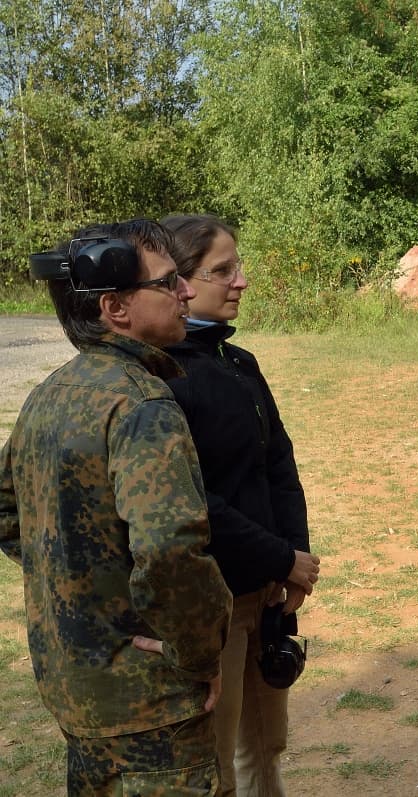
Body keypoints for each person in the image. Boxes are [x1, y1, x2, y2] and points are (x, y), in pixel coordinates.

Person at [0, 219, 233, 794]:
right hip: (150, 704)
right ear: (116, 308)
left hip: (73, 688)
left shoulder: (51, 392)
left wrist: (80, 583)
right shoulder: (142, 404)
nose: (185, 292)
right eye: (168, 282)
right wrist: (198, 655)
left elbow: (7, 512)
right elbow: (171, 551)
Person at [161, 214, 319, 797]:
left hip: (266, 592)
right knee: (216, 761)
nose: (241, 282)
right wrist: (282, 558)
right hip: (213, 600)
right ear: (180, 282)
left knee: (266, 743)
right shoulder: (164, 377)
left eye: (238, 267)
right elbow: (193, 501)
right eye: (223, 270)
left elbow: (279, 462)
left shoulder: (240, 363)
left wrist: (295, 558)